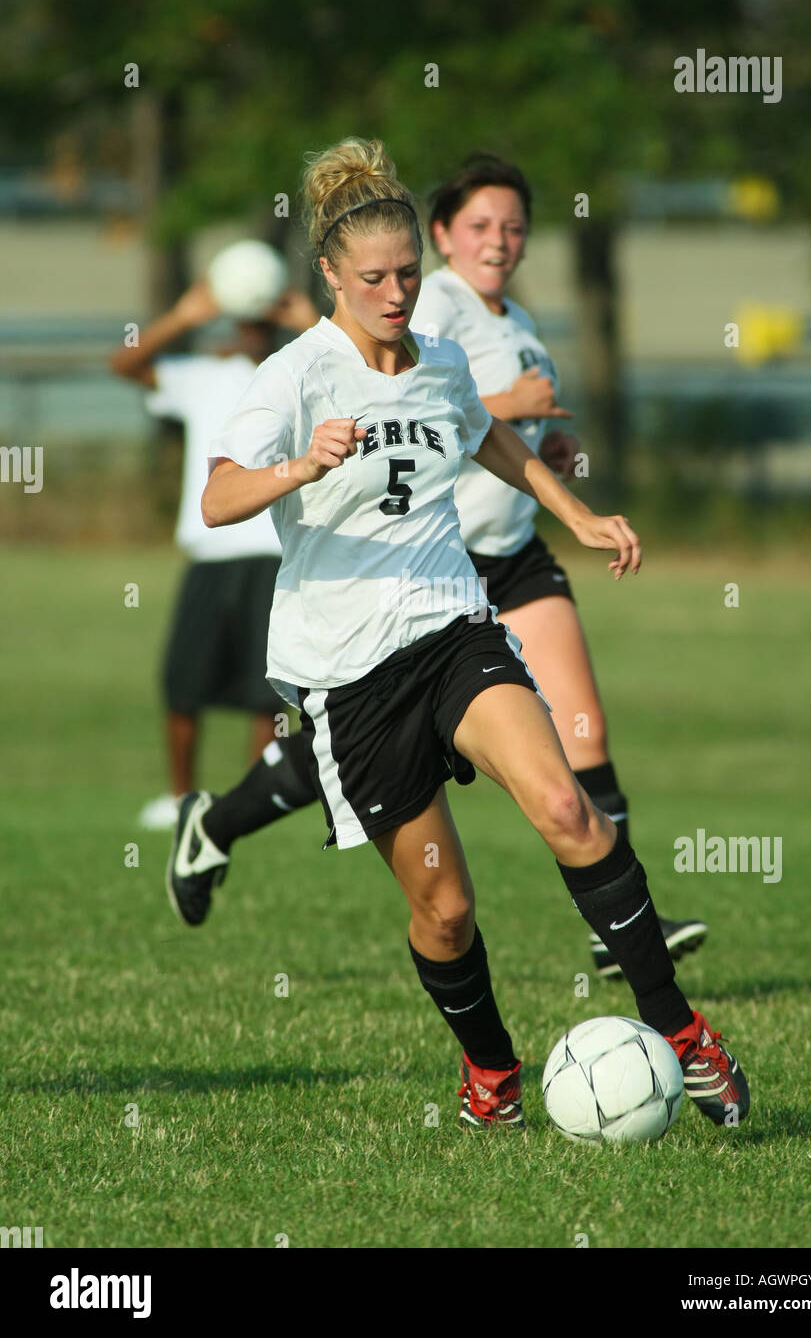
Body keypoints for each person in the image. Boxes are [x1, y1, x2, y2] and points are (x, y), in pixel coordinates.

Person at [194, 136, 749, 1129]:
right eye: (373, 278)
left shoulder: (442, 359)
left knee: (568, 811)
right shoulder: (295, 377)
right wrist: (296, 468)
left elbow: (480, 431)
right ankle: (489, 1070)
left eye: (408, 273)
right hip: (347, 678)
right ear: (329, 274)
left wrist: (573, 514)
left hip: (452, 630)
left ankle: (679, 1030)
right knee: (446, 913)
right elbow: (218, 493)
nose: (397, 293)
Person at [109, 271, 319, 829]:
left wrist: (310, 325)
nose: (252, 331)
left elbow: (362, 371)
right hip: (210, 552)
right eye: (245, 320)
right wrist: (183, 317)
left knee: (263, 690)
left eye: (263, 321)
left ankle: (251, 805)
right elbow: (122, 365)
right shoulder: (204, 374)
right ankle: (181, 798)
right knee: (183, 681)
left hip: (276, 553)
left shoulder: (301, 372)